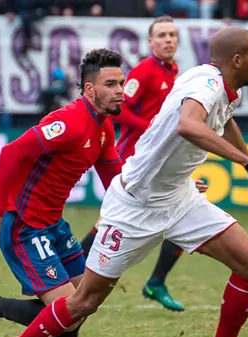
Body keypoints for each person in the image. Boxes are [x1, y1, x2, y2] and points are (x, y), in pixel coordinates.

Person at [0, 26, 248, 337]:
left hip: (175, 198)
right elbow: (188, 124)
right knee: (82, 304)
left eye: (121, 83)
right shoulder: (202, 85)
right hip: (133, 209)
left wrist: (243, 165)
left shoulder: (217, 88)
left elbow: (223, 119)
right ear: (237, 60)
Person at [0, 48, 126, 337]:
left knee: (84, 305)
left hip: (53, 225)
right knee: (71, 308)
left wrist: (173, 186)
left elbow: (118, 178)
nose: (119, 90)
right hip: (25, 227)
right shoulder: (69, 122)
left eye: (122, 83)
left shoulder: (103, 128)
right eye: (110, 84)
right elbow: (11, 153)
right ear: (89, 89)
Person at [78, 15, 186, 312]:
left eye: (172, 35)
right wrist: (149, 126)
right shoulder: (144, 72)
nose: (168, 39)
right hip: (134, 158)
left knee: (181, 211)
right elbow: (119, 109)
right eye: (161, 35)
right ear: (151, 43)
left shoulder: (174, 71)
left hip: (159, 159)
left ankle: (156, 282)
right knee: (110, 222)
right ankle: (73, 271)